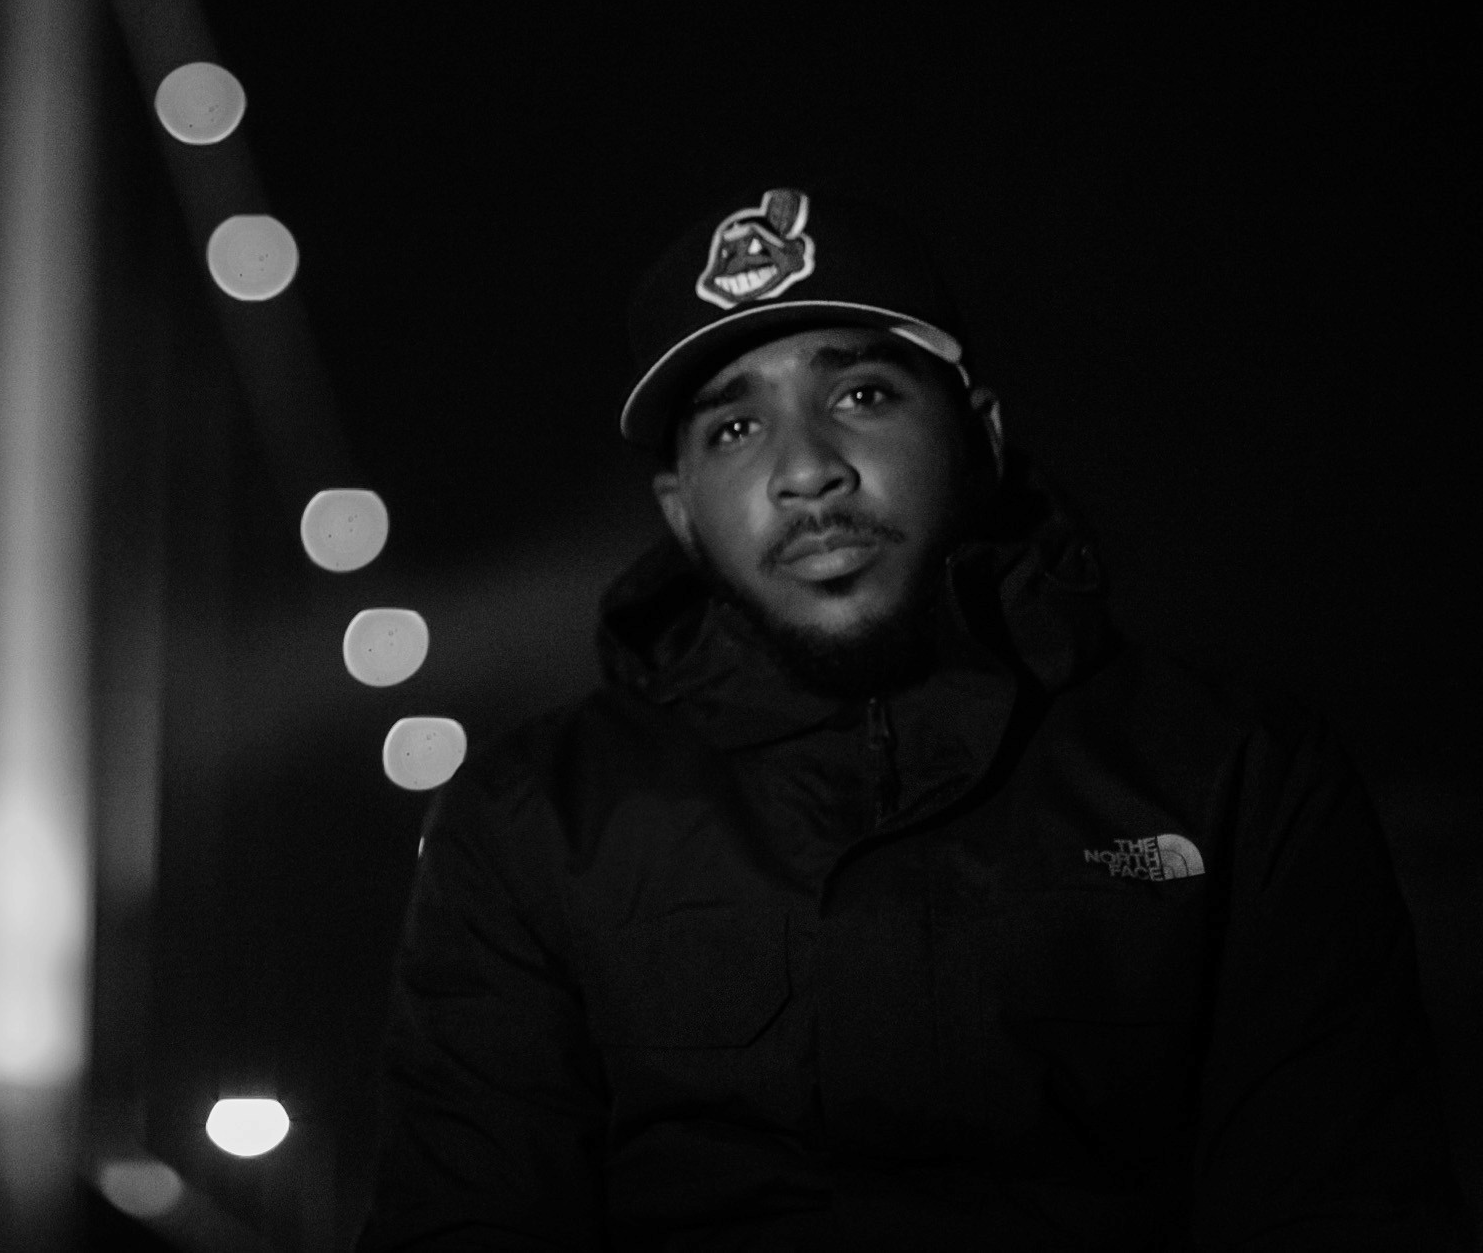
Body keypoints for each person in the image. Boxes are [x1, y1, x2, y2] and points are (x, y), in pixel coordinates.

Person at [358, 186, 1471, 1248]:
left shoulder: (1234, 774)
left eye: (862, 396)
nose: (806, 471)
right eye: (734, 428)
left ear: (980, 433)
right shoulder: (530, 820)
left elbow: (1342, 1207)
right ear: (679, 510)